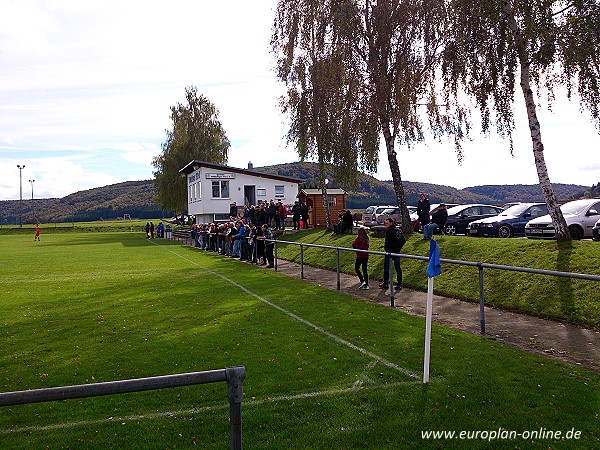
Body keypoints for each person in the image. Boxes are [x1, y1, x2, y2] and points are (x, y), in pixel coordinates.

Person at [379, 217, 406, 290]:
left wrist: (386, 249)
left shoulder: (389, 231)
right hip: (397, 252)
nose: (386, 224)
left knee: (386, 268)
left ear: (391, 223)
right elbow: (403, 240)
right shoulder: (399, 230)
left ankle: (385, 283)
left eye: (387, 223)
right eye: (385, 223)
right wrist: (399, 247)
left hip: (390, 251)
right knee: (398, 268)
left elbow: (387, 242)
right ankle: (399, 284)